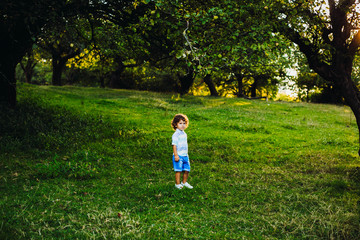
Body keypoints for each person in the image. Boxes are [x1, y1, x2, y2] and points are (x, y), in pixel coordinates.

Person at [171, 114, 193, 189]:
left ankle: (184, 182)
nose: (183, 125)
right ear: (175, 125)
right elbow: (174, 145)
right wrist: (176, 155)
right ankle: (177, 184)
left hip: (185, 155)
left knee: (187, 170)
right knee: (178, 170)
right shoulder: (176, 135)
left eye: (184, 123)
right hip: (178, 155)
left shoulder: (184, 134)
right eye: (180, 123)